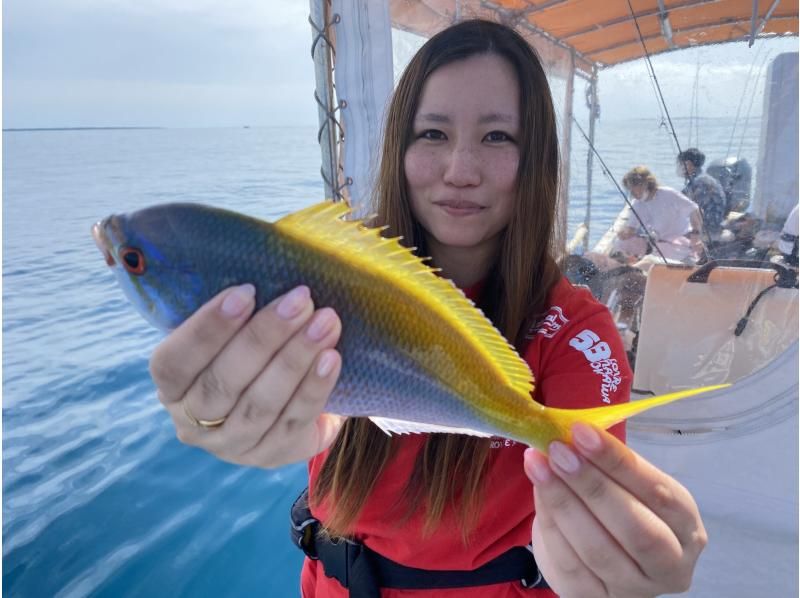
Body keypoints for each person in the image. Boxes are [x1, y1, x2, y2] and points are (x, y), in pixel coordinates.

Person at [148, 20, 707, 597]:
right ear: (400, 146)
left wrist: (608, 567)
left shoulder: (575, 333)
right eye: (433, 133)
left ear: (535, 158)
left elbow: (590, 499)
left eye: (498, 138)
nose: (460, 171)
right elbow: (326, 412)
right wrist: (224, 414)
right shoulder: (327, 285)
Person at [614, 166, 705, 263]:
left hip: (680, 241)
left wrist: (695, 236)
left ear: (646, 183)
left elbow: (695, 210)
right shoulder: (638, 203)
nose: (633, 193)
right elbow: (631, 228)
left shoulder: (668, 194)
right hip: (655, 242)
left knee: (654, 261)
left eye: (635, 187)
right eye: (630, 189)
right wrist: (624, 233)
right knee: (620, 243)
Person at [677, 147, 727, 237]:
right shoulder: (701, 179)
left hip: (708, 227)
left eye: (681, 164)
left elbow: (683, 206)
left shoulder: (700, 182)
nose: (680, 167)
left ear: (688, 164)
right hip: (711, 222)